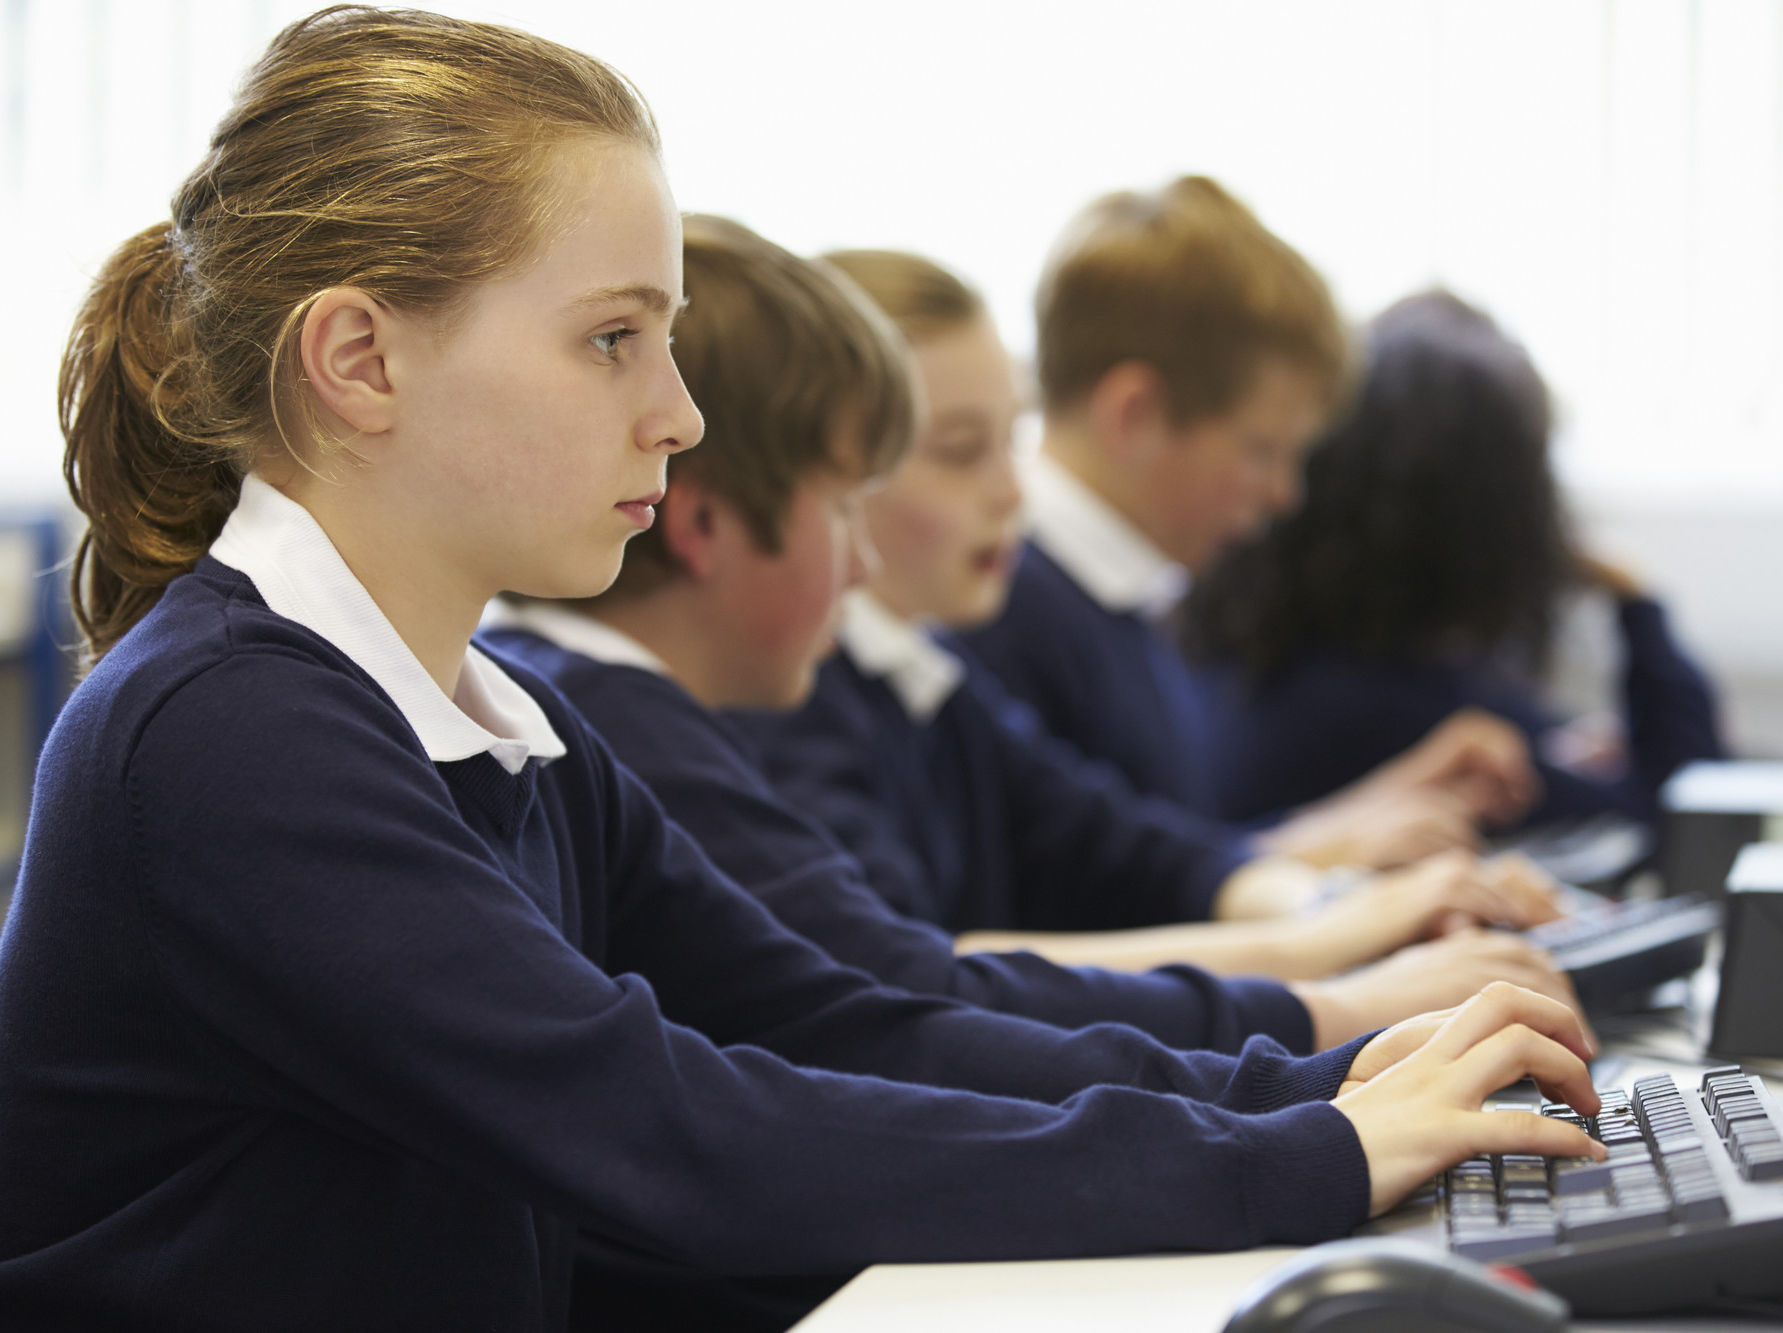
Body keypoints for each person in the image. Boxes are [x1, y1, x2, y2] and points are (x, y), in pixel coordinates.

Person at [0, 13, 1604, 1331]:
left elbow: (851, 1004)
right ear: (362, 357)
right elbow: (666, 1123)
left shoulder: (512, 722)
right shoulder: (224, 732)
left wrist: (1318, 1085)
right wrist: (1292, 1155)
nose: (679, 411)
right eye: (611, 337)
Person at [486, 219, 1574, 1065]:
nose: (859, 565)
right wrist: (1324, 1010)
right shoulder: (639, 723)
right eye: (853, 497)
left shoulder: (858, 685)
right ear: (705, 520)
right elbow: (908, 1003)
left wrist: (1332, 945)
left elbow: (1111, 854)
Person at [956, 178, 1539, 843]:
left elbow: (1164, 868)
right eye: (1262, 451)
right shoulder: (1001, 610)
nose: (1284, 495)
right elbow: (1095, 921)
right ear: (1136, 416)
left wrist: (1366, 816)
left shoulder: (1119, 601)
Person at [1181, 290, 1728, 828]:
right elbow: (1686, 805)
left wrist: (1555, 745)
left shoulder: (1250, 663)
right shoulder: (1411, 707)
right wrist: (1637, 597)